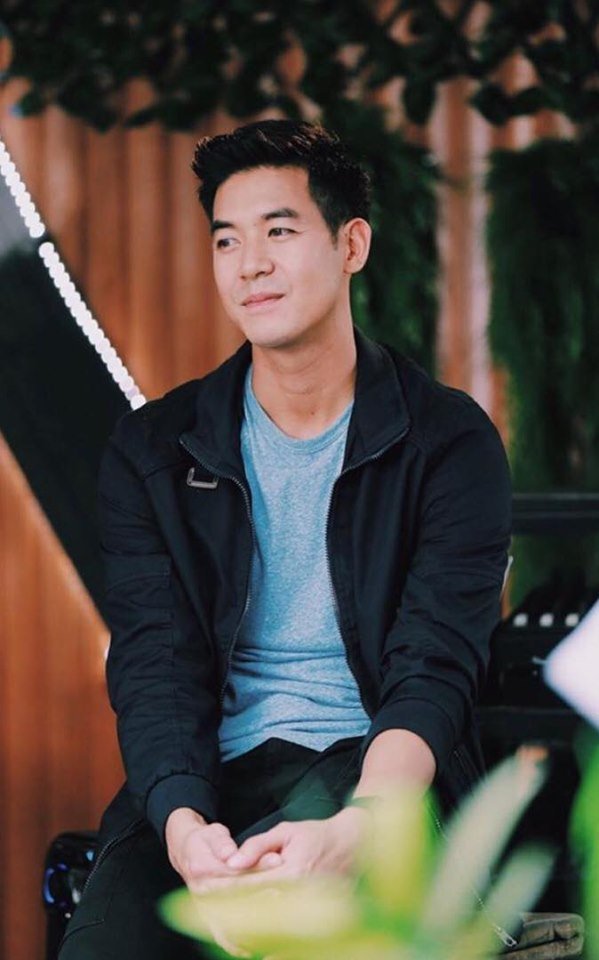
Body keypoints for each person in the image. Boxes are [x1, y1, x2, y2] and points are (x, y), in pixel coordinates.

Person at [58, 119, 511, 959]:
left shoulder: (446, 443)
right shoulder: (155, 451)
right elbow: (155, 663)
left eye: (279, 231)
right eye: (226, 239)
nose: (249, 264)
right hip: (207, 781)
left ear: (351, 245)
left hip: (375, 771)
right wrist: (186, 831)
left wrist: (364, 825)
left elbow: (434, 663)